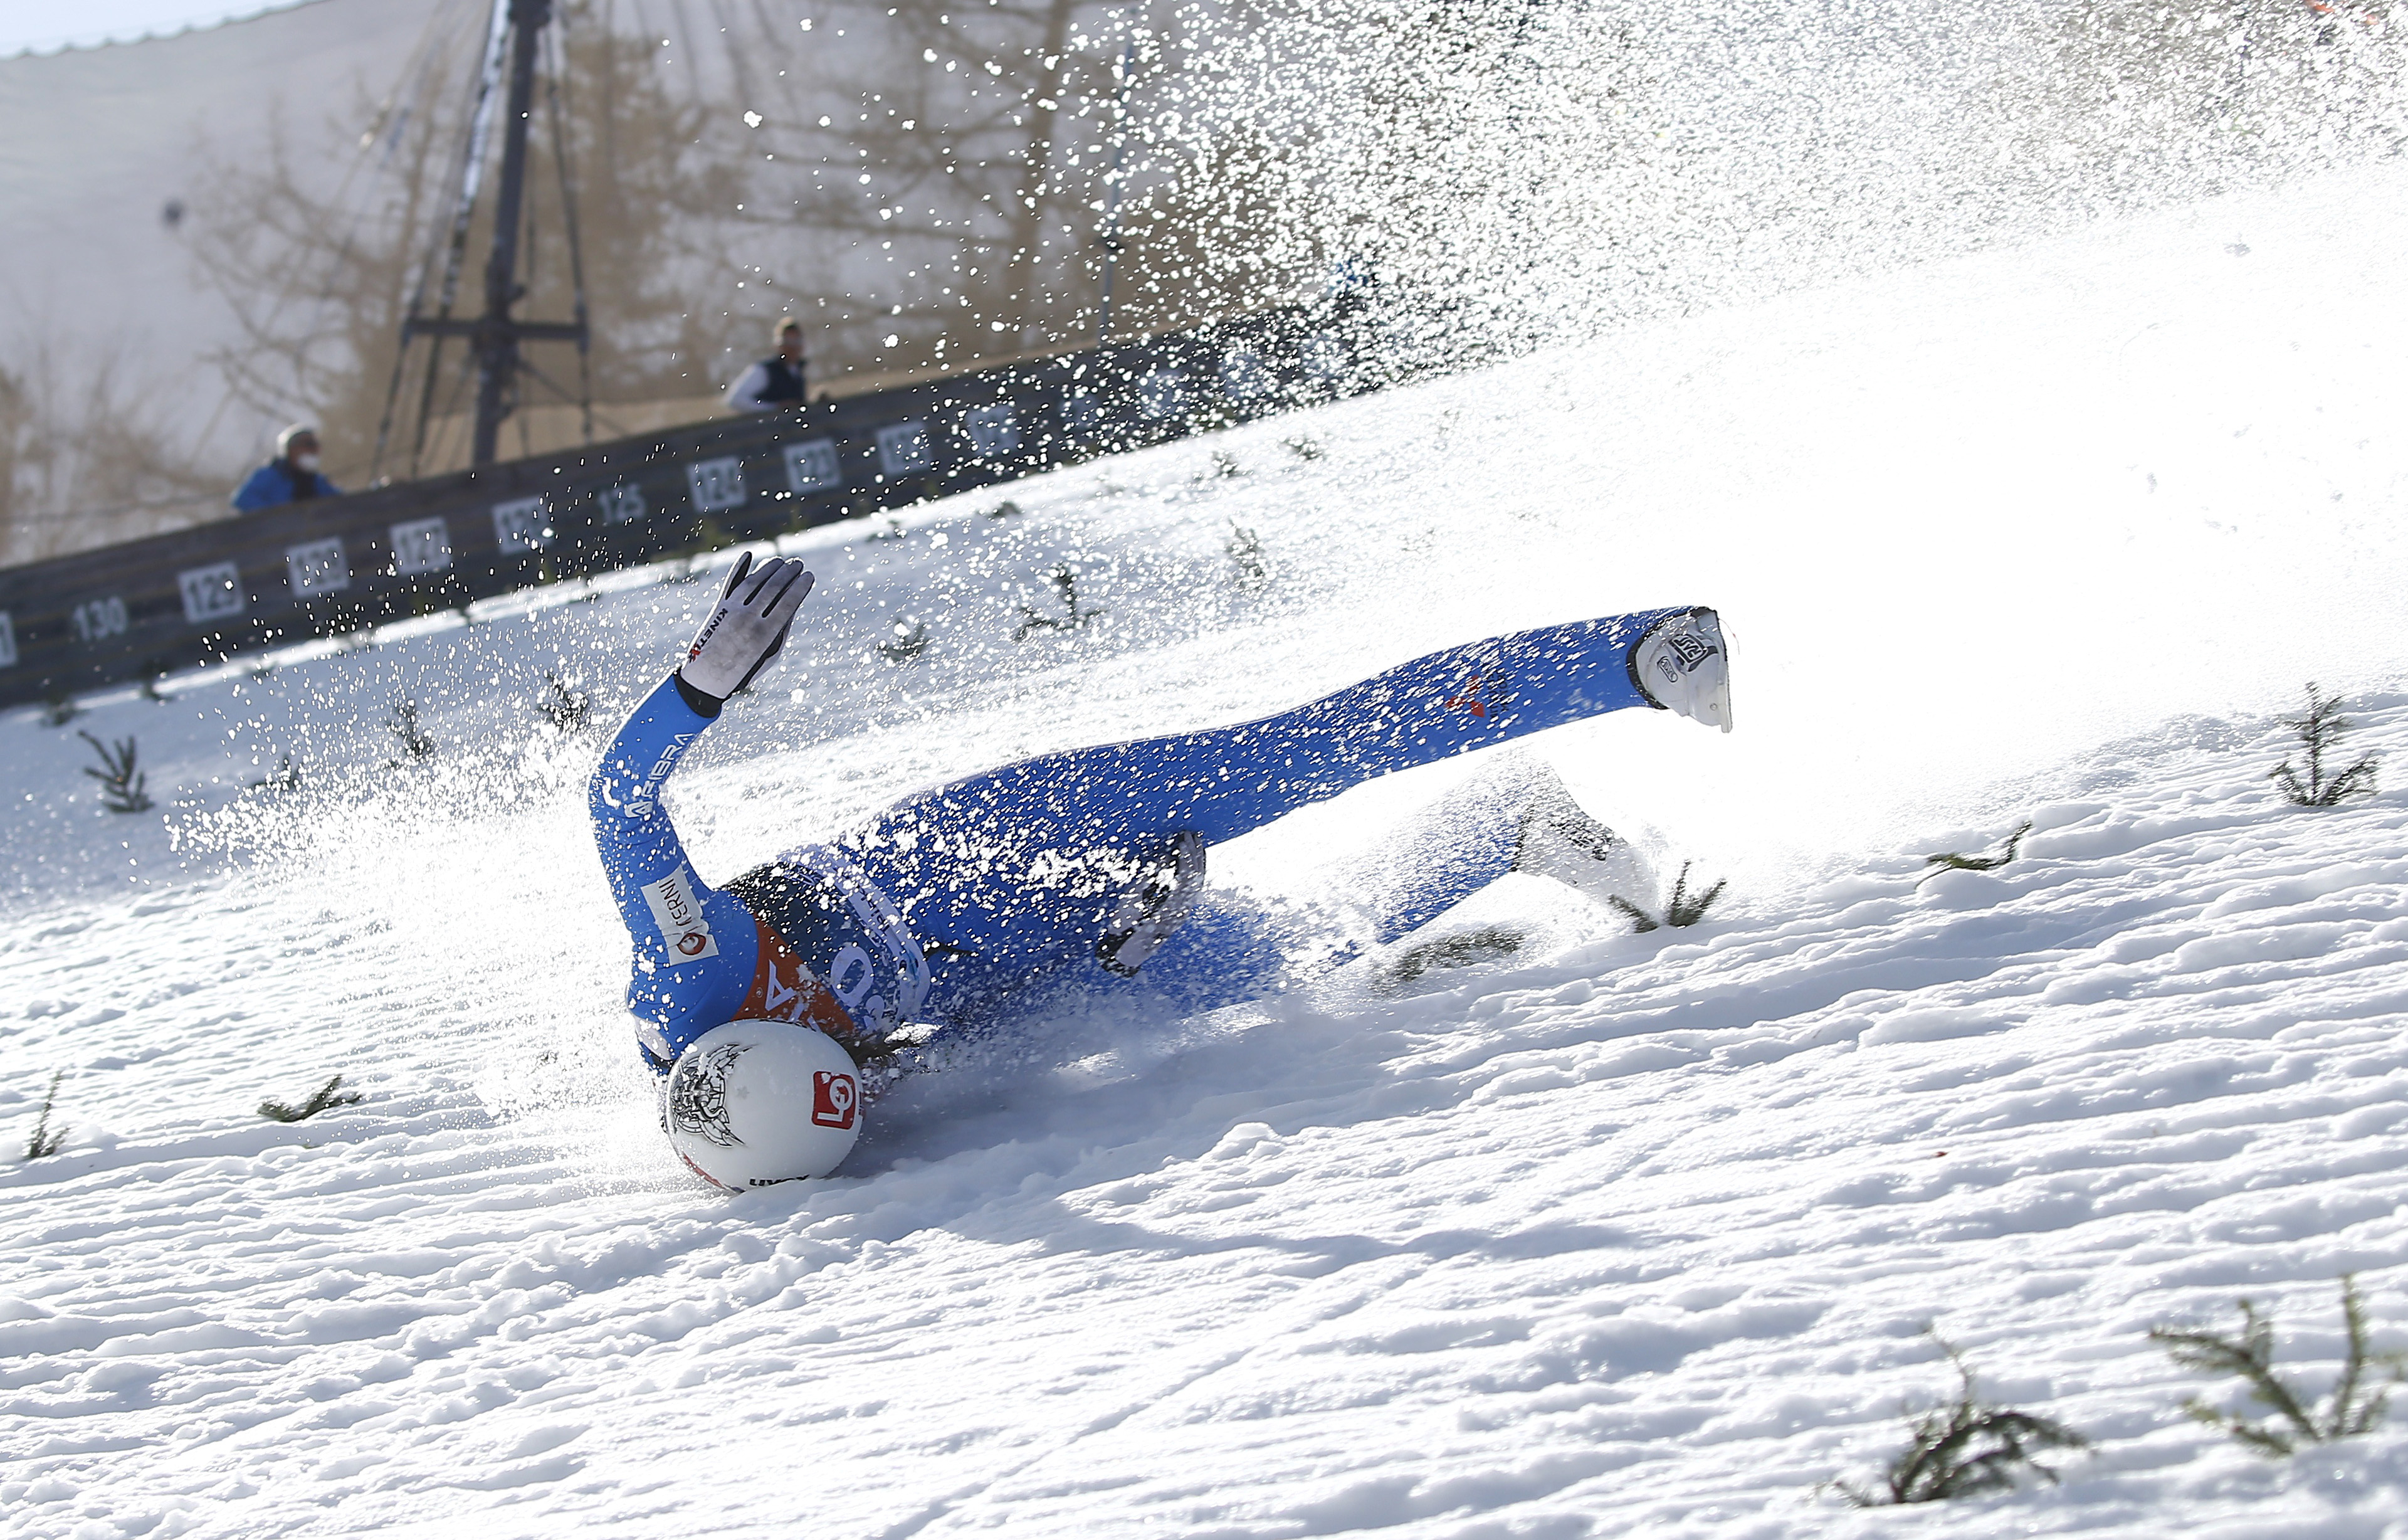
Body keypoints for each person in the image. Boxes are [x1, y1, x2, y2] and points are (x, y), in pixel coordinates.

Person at [590, 554, 1733, 1095]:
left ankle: (1634, 655)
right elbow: (959, 1030)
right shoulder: (819, 1121)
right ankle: (1510, 824)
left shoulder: (687, 969)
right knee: (1294, 953)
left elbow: (620, 801)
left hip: (988, 833)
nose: (841, 1081)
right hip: (1056, 936)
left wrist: (701, 685)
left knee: (1296, 758)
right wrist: (1099, 952)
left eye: (816, 1077)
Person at [231, 424, 340, 512]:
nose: (314, 450)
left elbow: (341, 502)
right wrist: (280, 515)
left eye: (316, 445)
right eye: (309, 444)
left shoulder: (317, 480)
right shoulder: (270, 475)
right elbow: (242, 500)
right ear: (291, 449)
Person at [723, 317, 809, 413]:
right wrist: (774, 408)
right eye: (788, 342)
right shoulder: (764, 371)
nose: (792, 347)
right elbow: (735, 401)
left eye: (796, 342)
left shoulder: (798, 371)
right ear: (778, 345)